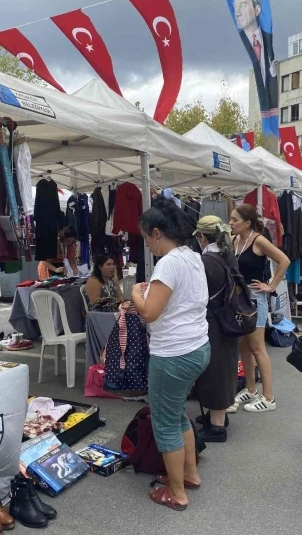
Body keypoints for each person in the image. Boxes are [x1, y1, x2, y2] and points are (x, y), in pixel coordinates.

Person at [130, 197, 210, 511]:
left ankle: (177, 493)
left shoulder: (168, 263)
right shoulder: (191, 256)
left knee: (165, 422)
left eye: (146, 237)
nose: (146, 244)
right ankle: (189, 474)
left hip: (173, 354)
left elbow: (149, 312)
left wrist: (137, 292)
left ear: (158, 232)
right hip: (196, 347)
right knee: (177, 416)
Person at [230, 204, 290, 412]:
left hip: (255, 298)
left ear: (247, 222)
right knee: (244, 346)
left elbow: (284, 260)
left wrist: (271, 285)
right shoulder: (235, 239)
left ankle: (269, 397)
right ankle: (251, 389)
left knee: (257, 347)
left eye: (235, 219)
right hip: (239, 298)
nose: (231, 223)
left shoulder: (259, 240)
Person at [192, 216, 239, 443]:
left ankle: (217, 426)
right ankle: (216, 416)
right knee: (224, 367)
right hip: (229, 318)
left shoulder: (206, 260)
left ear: (202, 236)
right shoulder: (227, 254)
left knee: (215, 371)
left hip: (213, 319)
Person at [232, 0, 278, 129]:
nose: (237, 12)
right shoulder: (241, 41)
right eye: (235, 7)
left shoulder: (266, 37)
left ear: (257, 10)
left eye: (243, 5)